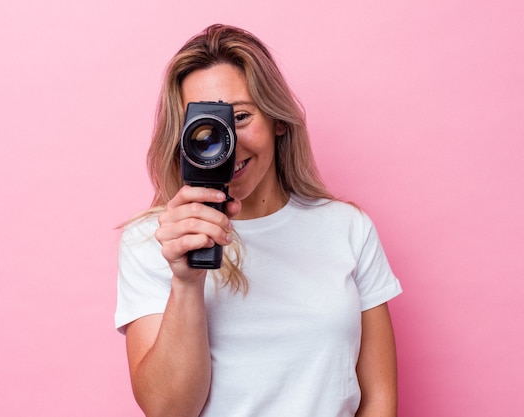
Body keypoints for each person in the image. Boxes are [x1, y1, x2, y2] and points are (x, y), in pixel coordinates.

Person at [115, 23, 402, 417]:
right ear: (180, 138)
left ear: (277, 120)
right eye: (204, 127)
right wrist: (186, 281)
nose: (224, 145)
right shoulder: (152, 240)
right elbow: (168, 411)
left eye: (241, 117)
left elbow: (379, 399)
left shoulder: (348, 229)